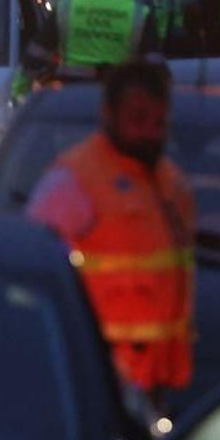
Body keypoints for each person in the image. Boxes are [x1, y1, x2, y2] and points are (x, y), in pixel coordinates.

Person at [25, 62, 195, 404]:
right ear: (109, 114)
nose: (150, 132)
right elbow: (32, 274)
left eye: (159, 121)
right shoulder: (73, 182)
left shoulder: (172, 184)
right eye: (137, 119)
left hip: (155, 386)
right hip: (95, 382)